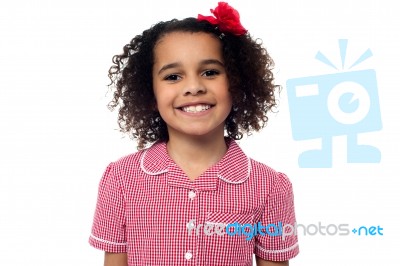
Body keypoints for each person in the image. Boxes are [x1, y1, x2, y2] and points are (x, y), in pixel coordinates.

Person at [89, 2, 299, 265]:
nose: (193, 87)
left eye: (210, 72)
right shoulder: (120, 179)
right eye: (173, 77)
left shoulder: (269, 187)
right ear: (150, 92)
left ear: (236, 82)